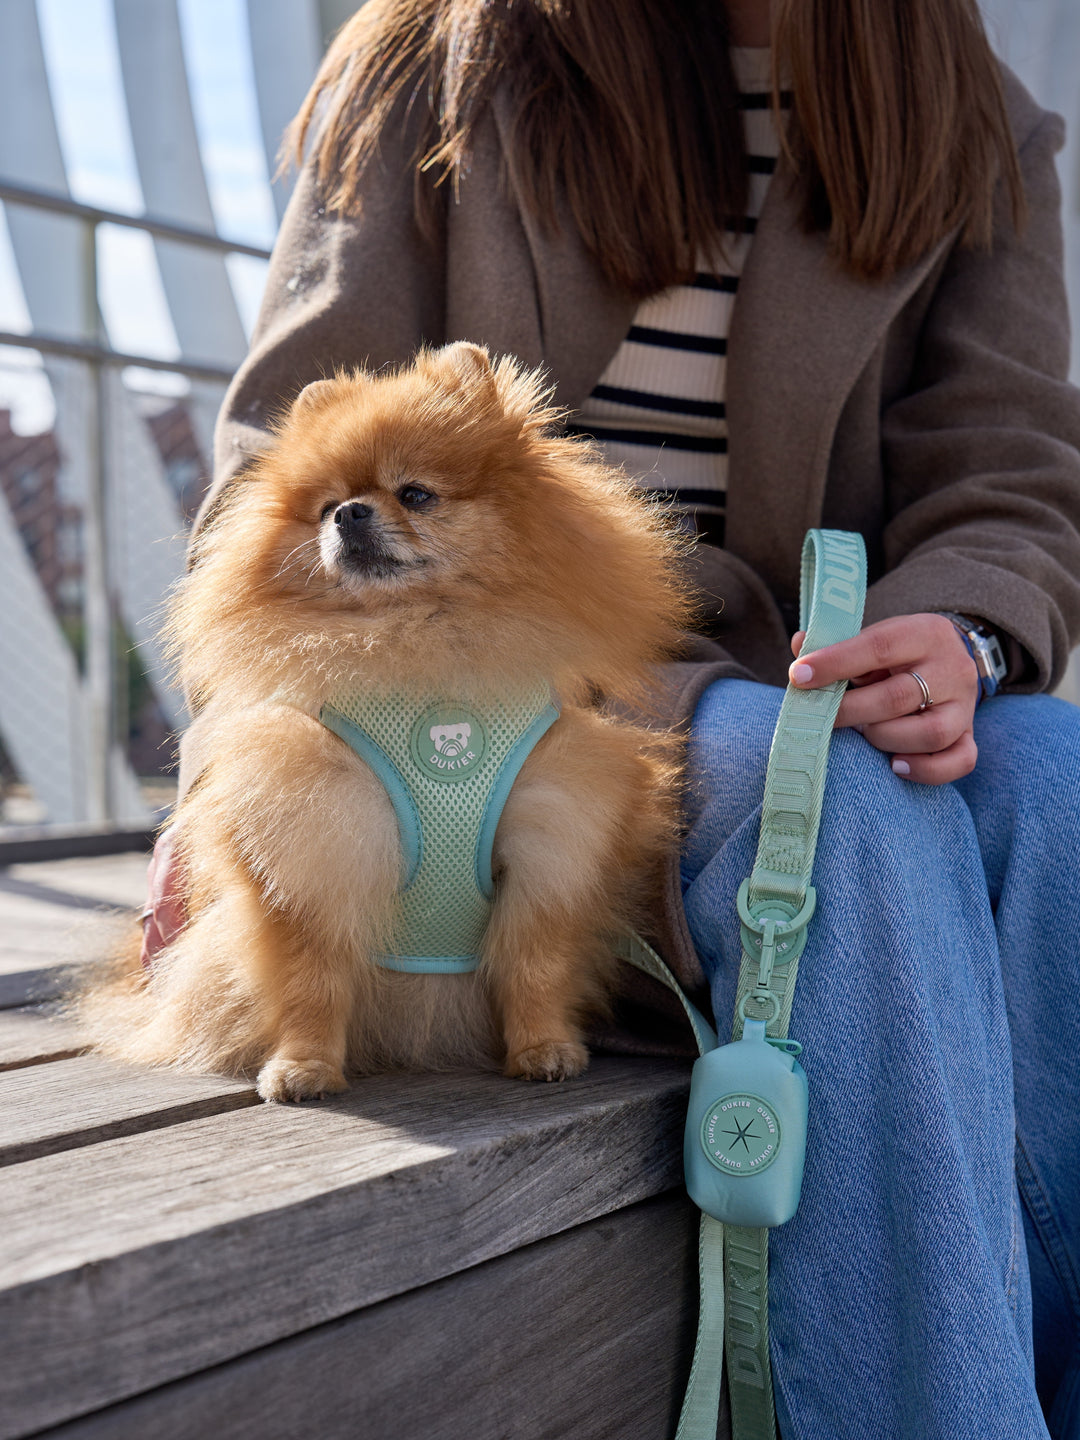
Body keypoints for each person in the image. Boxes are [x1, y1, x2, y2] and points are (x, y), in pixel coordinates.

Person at [144, 0, 1080, 1434]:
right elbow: (290, 455)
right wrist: (234, 781)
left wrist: (957, 632)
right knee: (829, 812)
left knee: (1058, 786)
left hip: (820, 656)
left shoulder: (977, 122)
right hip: (500, 671)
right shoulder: (437, 60)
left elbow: (1004, 474)